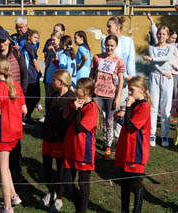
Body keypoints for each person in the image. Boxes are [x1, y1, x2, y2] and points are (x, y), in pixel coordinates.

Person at [0, 29, 27, 178]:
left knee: (14, 135)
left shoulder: (17, 54)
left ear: (8, 40)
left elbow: (24, 74)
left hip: (13, 96)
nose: (1, 43)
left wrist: (22, 95)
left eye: (3, 40)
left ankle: (16, 167)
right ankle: (2, 166)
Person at [0, 56, 27, 213]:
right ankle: (13, 195)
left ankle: (7, 207)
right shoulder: (16, 86)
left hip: (3, 131)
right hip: (15, 130)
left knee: (3, 168)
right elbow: (24, 110)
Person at [115, 76, 151, 213]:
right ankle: (124, 210)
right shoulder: (135, 104)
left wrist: (128, 107)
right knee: (124, 183)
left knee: (135, 184)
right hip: (125, 148)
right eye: (128, 90)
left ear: (142, 90)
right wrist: (120, 116)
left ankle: (137, 210)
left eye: (132, 90)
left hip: (135, 151)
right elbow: (125, 123)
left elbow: (130, 126)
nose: (129, 93)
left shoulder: (144, 107)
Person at [40, 70, 74, 212]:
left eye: (54, 79)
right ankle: (51, 191)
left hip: (60, 139)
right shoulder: (54, 95)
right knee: (46, 166)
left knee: (60, 169)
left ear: (61, 82)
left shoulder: (71, 98)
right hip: (48, 137)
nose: (52, 81)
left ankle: (59, 198)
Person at [63, 78, 99, 213]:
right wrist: (74, 109)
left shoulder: (92, 108)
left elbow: (79, 128)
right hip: (71, 147)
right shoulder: (76, 103)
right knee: (67, 181)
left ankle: (81, 210)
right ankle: (79, 204)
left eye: (78, 87)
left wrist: (78, 110)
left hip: (84, 150)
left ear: (86, 91)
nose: (75, 89)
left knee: (83, 182)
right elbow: (67, 123)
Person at [102, 16, 136, 145]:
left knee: (121, 112)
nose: (107, 28)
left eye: (109, 26)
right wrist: (125, 74)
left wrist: (131, 76)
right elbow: (109, 59)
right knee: (108, 113)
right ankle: (107, 142)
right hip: (109, 83)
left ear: (117, 27)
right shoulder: (104, 41)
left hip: (125, 83)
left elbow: (131, 60)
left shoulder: (128, 41)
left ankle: (118, 140)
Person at [90, 34, 125, 159]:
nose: (109, 48)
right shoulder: (97, 58)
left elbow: (121, 80)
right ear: (104, 45)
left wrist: (118, 97)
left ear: (116, 46)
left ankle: (108, 146)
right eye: (107, 45)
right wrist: (89, 92)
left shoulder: (119, 60)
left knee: (109, 121)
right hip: (97, 94)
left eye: (112, 45)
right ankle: (92, 146)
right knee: (95, 120)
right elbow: (92, 75)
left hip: (110, 94)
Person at [143, 25, 175, 147]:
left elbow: (166, 59)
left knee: (166, 107)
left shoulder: (171, 47)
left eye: (163, 34)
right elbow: (154, 64)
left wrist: (152, 59)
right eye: (159, 34)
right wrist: (162, 71)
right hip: (156, 76)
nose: (161, 36)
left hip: (168, 78)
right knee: (153, 106)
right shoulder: (151, 47)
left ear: (167, 36)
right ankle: (152, 134)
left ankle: (165, 135)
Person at [21, 29, 41, 124]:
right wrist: (39, 72)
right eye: (35, 37)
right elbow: (34, 61)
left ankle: (25, 116)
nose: (36, 39)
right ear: (29, 37)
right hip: (31, 76)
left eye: (38, 38)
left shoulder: (25, 47)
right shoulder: (31, 47)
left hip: (27, 75)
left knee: (29, 97)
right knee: (35, 96)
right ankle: (26, 116)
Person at [43, 31, 63, 116]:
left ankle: (54, 115)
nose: (52, 42)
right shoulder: (50, 50)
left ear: (59, 40)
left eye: (54, 40)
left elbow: (59, 64)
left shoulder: (62, 52)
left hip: (57, 78)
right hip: (49, 76)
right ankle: (46, 114)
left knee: (56, 97)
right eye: (51, 40)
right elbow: (47, 64)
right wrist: (49, 54)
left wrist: (54, 53)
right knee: (48, 98)